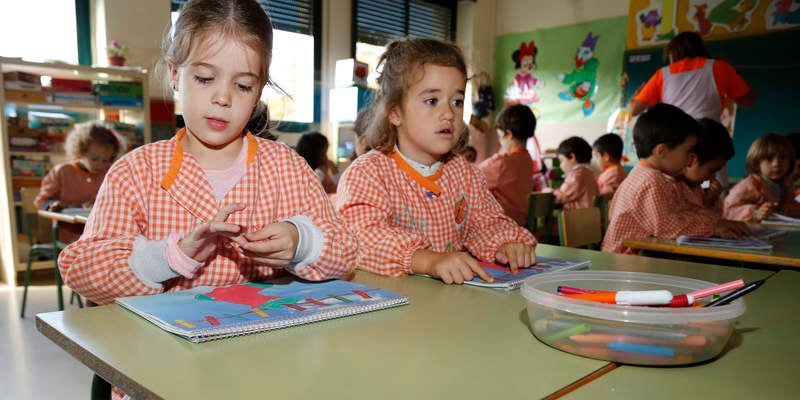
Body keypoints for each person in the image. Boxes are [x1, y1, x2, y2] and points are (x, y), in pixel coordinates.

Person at [59, 0, 356, 307]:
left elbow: (346, 255)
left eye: (242, 85)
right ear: (175, 74)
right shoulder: (136, 172)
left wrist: (300, 241)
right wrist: (170, 257)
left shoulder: (286, 167)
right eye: (204, 78)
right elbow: (83, 271)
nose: (223, 97)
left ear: (258, 92)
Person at [335, 37, 537, 285]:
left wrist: (506, 243)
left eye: (457, 101)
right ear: (395, 112)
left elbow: (484, 223)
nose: (449, 114)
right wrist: (428, 261)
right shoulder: (368, 173)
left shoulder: (464, 172)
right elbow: (362, 238)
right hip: (392, 307)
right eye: (432, 101)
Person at [602, 104, 737, 254]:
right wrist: (713, 226)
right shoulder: (650, 181)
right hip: (625, 263)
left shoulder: (652, 177)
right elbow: (665, 226)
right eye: (687, 153)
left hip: (638, 259)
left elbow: (684, 214)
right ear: (662, 151)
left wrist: (712, 212)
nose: (689, 160)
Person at [628, 31, 755, 121]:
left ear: (674, 55)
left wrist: (634, 98)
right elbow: (749, 100)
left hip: (676, 143)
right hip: (710, 140)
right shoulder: (719, 67)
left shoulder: (663, 74)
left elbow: (633, 110)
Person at [34, 121, 126, 243]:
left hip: (103, 235)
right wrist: (52, 205)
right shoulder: (62, 172)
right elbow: (42, 201)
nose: (101, 164)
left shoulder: (111, 173)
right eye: (94, 159)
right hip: (70, 237)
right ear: (80, 152)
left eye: (106, 160)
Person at [678, 118, 748, 234]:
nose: (713, 177)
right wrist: (714, 226)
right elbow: (682, 222)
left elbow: (714, 217)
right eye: (711, 170)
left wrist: (710, 200)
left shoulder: (700, 185)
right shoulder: (672, 185)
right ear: (691, 159)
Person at [477, 104, 535, 226]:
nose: (500, 141)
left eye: (499, 136)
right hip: (520, 224)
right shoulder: (527, 160)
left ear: (509, 134)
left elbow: (469, 176)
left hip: (501, 226)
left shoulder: (502, 162)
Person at [723, 133, 800, 222]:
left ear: (790, 162)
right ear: (757, 163)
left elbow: (790, 205)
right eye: (769, 159)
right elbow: (728, 208)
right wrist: (756, 213)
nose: (776, 164)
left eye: (782, 158)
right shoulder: (751, 184)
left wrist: (787, 209)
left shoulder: (785, 184)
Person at [547, 136, 598, 210]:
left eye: (562, 160)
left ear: (572, 157)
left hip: (578, 218)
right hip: (590, 216)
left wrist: (550, 191)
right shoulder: (589, 173)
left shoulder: (577, 175)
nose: (561, 165)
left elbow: (561, 197)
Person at [592, 133, 626, 198]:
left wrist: (591, 190)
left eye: (597, 157)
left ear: (606, 157)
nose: (597, 161)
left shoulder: (615, 173)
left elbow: (608, 191)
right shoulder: (612, 170)